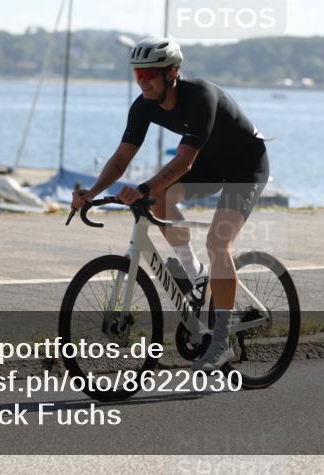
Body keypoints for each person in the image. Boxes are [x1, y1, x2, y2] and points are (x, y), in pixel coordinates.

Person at [71, 37, 269, 372]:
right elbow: (121, 158)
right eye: (138, 74)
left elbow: (185, 161)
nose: (142, 80)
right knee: (159, 197)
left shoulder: (201, 96)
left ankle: (221, 343)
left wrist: (144, 187)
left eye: (149, 74)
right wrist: (90, 192)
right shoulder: (143, 105)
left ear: (172, 72)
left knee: (218, 242)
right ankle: (196, 275)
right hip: (211, 164)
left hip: (245, 167)